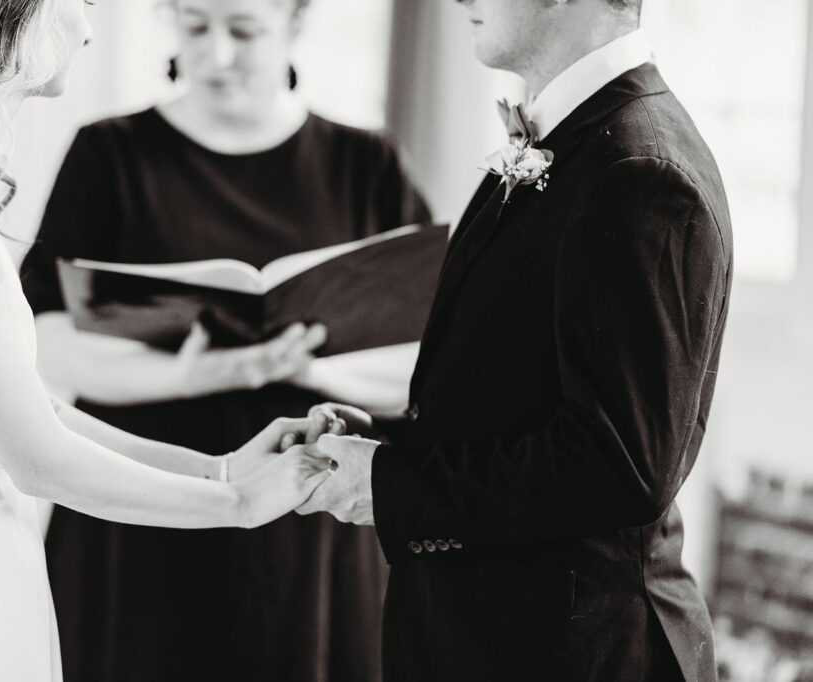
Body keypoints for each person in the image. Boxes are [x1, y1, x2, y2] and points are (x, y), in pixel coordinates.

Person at [0, 1, 337, 680]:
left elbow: (34, 412)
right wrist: (240, 505)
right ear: (4, 16)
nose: (86, 26)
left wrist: (219, 468)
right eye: (73, 1)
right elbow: (38, 460)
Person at [302, 0, 733, 680]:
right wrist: (394, 442)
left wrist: (392, 489)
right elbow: (524, 396)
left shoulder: (643, 171)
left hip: (573, 654)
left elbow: (619, 464)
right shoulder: (576, 140)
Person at [18, 0, 432, 679]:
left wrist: (316, 374)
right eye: (195, 24)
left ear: (296, 25)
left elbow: (428, 365)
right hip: (140, 512)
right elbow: (50, 348)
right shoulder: (110, 154)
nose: (218, 53)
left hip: (308, 527)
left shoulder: (368, 164)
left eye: (243, 29)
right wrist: (219, 371)